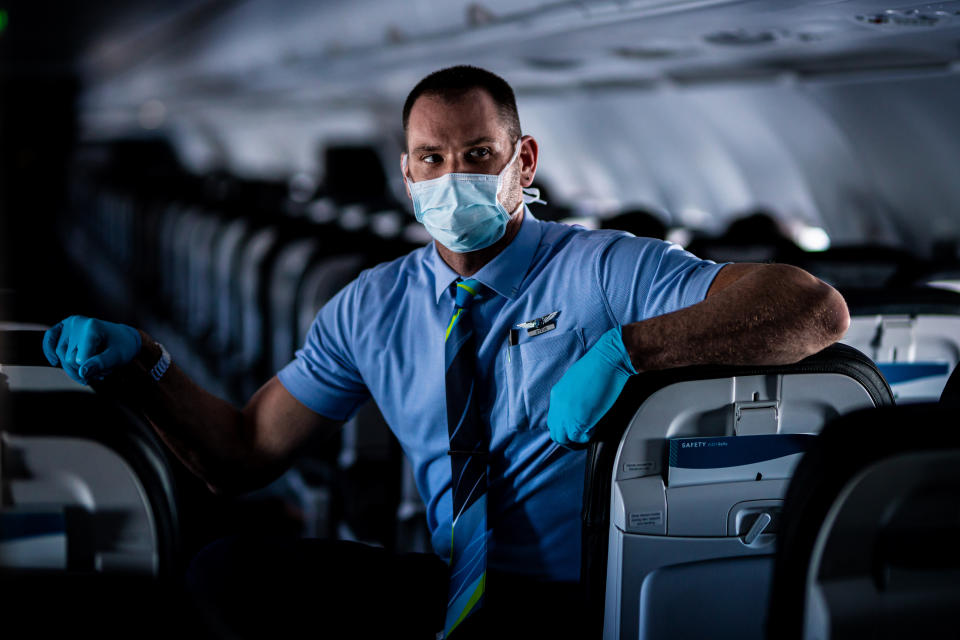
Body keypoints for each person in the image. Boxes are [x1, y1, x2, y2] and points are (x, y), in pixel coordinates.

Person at [42, 65, 850, 639]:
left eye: (477, 156)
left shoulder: (605, 268)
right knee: (226, 571)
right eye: (432, 159)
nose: (451, 178)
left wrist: (629, 349)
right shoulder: (370, 306)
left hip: (592, 594)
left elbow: (810, 307)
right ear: (406, 174)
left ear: (522, 162)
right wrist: (145, 366)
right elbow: (245, 454)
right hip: (457, 590)